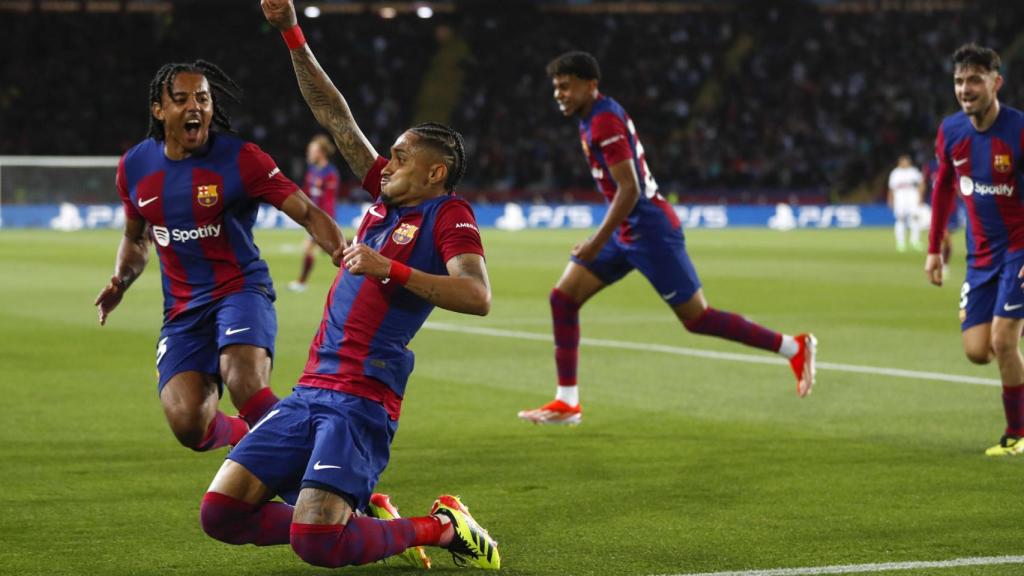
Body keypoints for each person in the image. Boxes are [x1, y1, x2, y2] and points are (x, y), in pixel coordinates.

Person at [197, 1, 500, 569]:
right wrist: (290, 31)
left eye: (402, 157)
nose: (387, 163)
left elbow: (477, 296)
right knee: (220, 515)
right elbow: (335, 116)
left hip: (362, 395)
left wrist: (391, 269)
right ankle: (354, 519)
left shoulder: (448, 216)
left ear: (435, 172)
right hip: (310, 386)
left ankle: (438, 527)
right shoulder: (384, 201)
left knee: (317, 545)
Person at [518, 51, 816, 426]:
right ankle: (567, 402)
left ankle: (793, 346)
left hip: (649, 231)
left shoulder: (604, 121)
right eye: (556, 87)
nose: (559, 94)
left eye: (566, 86)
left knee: (697, 318)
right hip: (628, 230)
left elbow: (630, 190)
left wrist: (596, 242)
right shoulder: (592, 117)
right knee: (563, 297)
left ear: (590, 85)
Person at [94, 60, 345, 452]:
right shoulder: (134, 167)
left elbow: (307, 211)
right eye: (181, 99)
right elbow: (136, 238)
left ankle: (321, 475)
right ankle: (265, 441)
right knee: (189, 424)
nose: (195, 106)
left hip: (240, 290)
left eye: (203, 98)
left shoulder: (242, 158)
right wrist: (121, 280)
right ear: (159, 110)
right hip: (182, 310)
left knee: (243, 380)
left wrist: (341, 253)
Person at [925, 43, 1024, 457]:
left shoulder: (1019, 131)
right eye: (959, 81)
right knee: (977, 352)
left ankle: (1017, 434)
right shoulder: (951, 131)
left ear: (995, 82)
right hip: (980, 256)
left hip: (1020, 248)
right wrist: (935, 246)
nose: (966, 89)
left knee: (1003, 342)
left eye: (975, 80)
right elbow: (945, 184)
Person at [289, 134, 341, 292]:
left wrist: (325, 221)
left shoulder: (331, 173)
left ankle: (301, 283)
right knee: (337, 251)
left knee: (312, 249)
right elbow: (305, 192)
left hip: (323, 218)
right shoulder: (312, 170)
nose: (309, 153)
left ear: (322, 153)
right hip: (313, 217)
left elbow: (329, 202)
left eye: (312, 151)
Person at [888, 154, 925, 252]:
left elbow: (921, 184)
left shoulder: (914, 172)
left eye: (906, 161)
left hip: (913, 197)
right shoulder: (895, 173)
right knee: (900, 219)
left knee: (915, 218)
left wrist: (921, 198)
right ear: (899, 162)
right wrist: (890, 200)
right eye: (902, 161)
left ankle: (915, 241)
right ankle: (901, 243)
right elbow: (891, 188)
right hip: (900, 198)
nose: (904, 163)